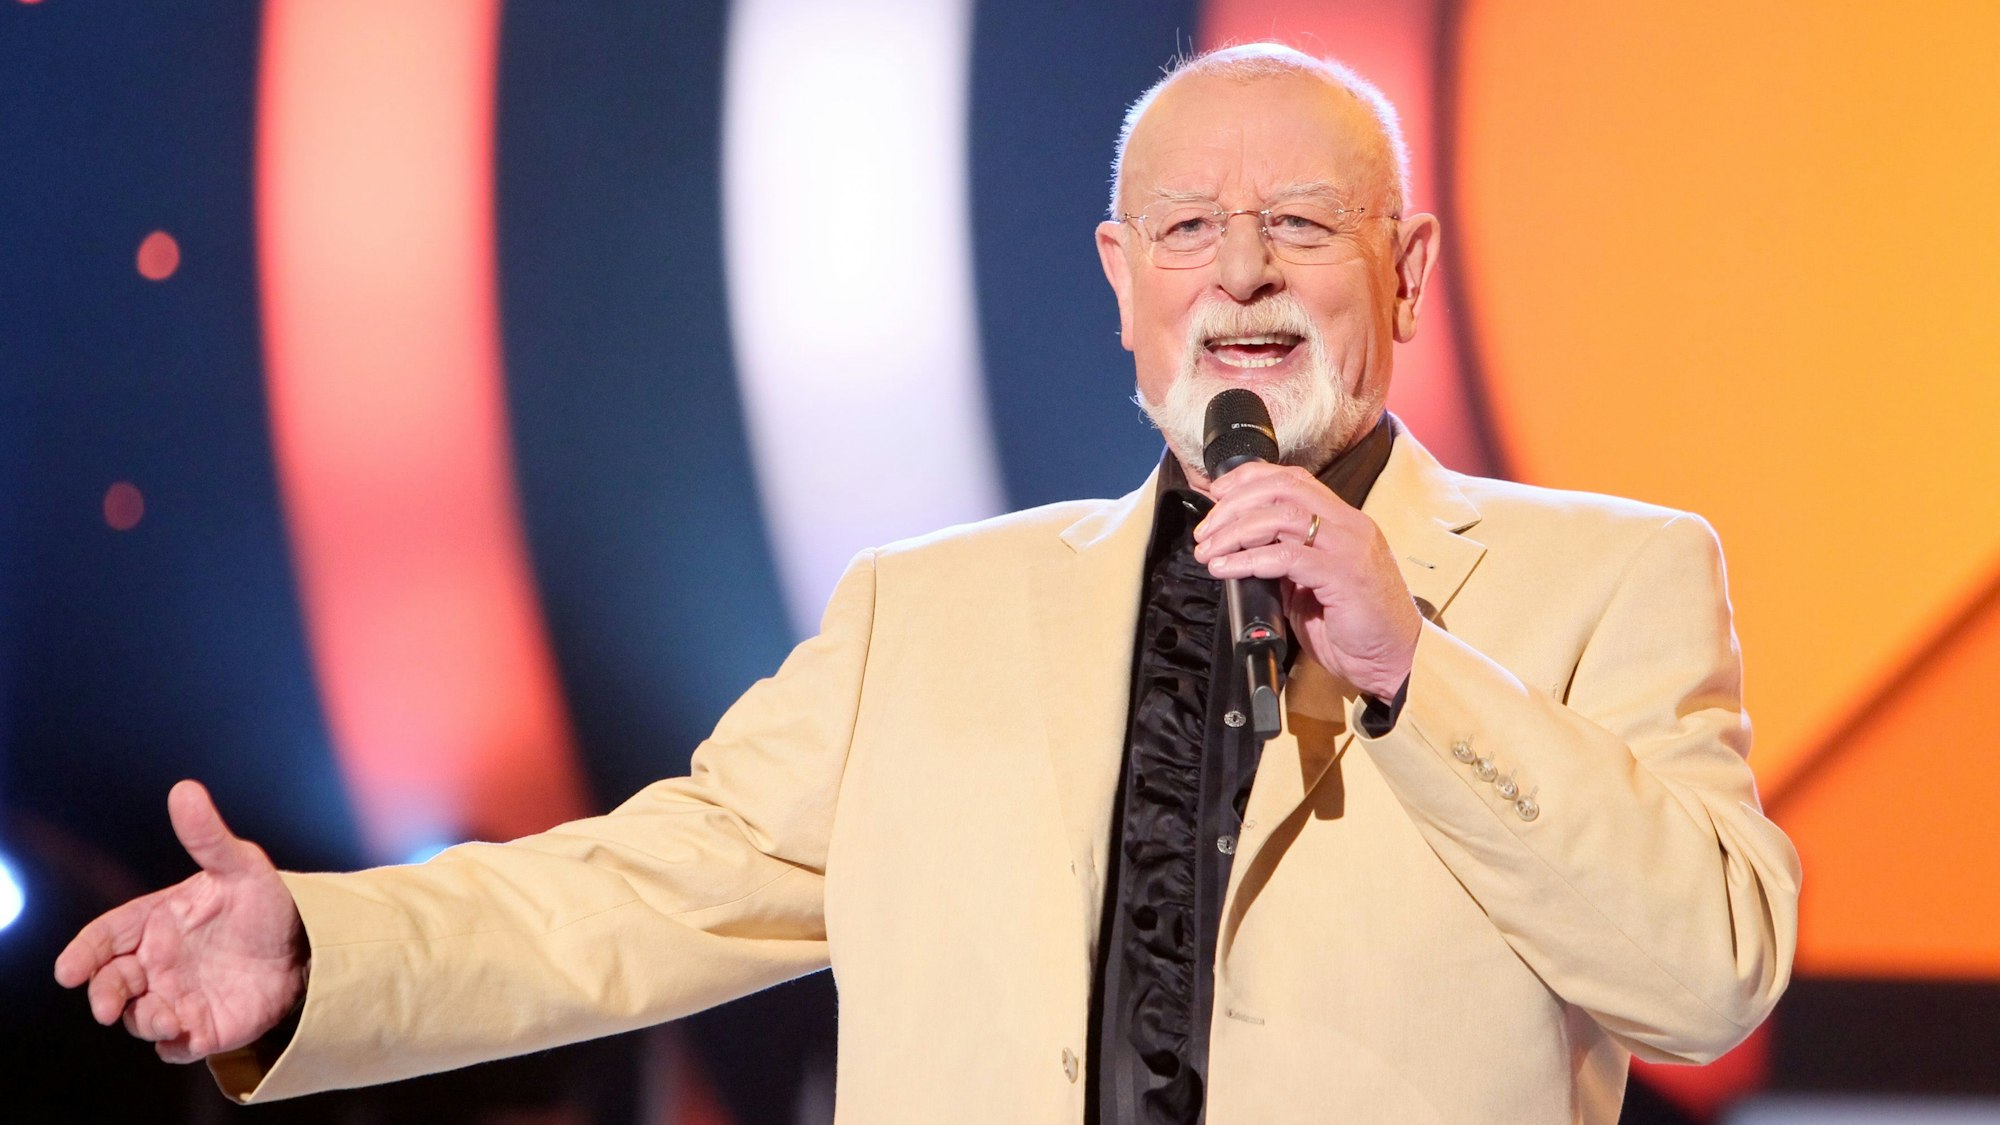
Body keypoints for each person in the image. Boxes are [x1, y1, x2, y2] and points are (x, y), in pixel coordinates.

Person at [56, 43, 1799, 1124]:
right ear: (1122, 281)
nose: (1243, 271)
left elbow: (1712, 968)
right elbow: (637, 894)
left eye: (1305, 223)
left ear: (1407, 272)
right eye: (1188, 227)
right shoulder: (928, 612)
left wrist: (1417, 663)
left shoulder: (1612, 577)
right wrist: (321, 953)